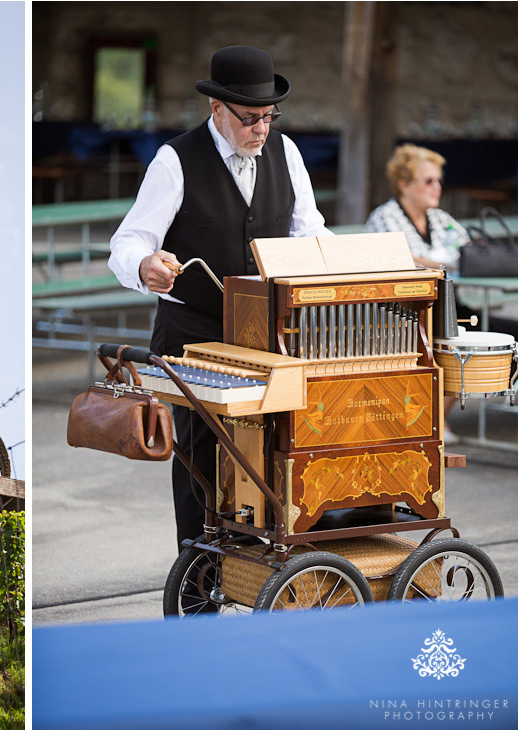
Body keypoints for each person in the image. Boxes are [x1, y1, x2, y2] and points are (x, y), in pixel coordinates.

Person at [108, 45, 331, 556]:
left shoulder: (286, 153)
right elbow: (129, 242)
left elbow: (310, 233)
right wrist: (144, 267)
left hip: (266, 340)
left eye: (268, 117)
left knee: (273, 459)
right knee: (202, 471)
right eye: (250, 118)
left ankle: (267, 576)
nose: (262, 128)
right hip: (192, 338)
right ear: (216, 111)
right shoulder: (175, 160)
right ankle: (197, 591)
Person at [365, 143, 517, 442]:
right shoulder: (385, 218)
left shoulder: (439, 217)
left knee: (509, 333)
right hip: (406, 314)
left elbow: (466, 251)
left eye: (438, 180)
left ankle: (437, 418)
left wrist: (432, 260)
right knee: (452, 341)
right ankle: (431, 423)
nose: (437, 187)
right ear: (404, 184)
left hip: (450, 308)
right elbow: (398, 261)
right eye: (428, 181)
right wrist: (439, 260)